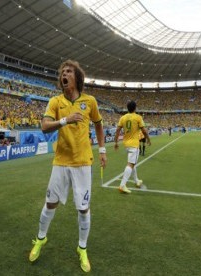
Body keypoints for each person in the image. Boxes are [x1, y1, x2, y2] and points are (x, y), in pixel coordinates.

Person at [28, 60, 106, 273]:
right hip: (61, 162)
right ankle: (40, 239)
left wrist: (102, 150)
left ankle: (82, 248)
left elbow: (99, 124)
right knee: (50, 203)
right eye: (62, 72)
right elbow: (44, 126)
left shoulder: (90, 101)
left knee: (83, 208)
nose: (64, 74)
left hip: (82, 163)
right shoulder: (55, 101)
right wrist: (65, 120)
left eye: (69, 71)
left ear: (77, 77)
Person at [114, 101, 151, 194]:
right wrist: (148, 139)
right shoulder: (138, 117)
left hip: (126, 144)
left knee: (132, 163)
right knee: (131, 164)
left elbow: (118, 130)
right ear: (135, 108)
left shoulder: (123, 117)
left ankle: (136, 181)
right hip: (134, 144)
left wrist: (116, 142)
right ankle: (122, 185)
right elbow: (144, 131)